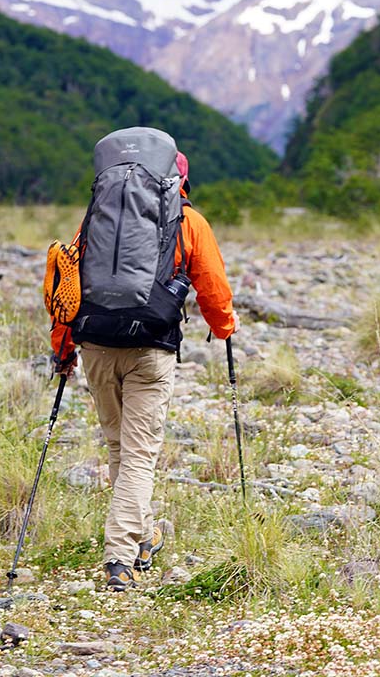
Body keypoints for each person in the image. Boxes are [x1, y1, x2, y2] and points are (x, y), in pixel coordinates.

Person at [49, 148, 235, 591]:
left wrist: (64, 349)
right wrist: (224, 328)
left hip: (96, 343)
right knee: (138, 454)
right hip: (151, 347)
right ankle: (120, 556)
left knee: (120, 447)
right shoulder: (189, 222)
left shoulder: (98, 219)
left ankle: (145, 535)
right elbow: (212, 286)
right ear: (179, 182)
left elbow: (69, 284)